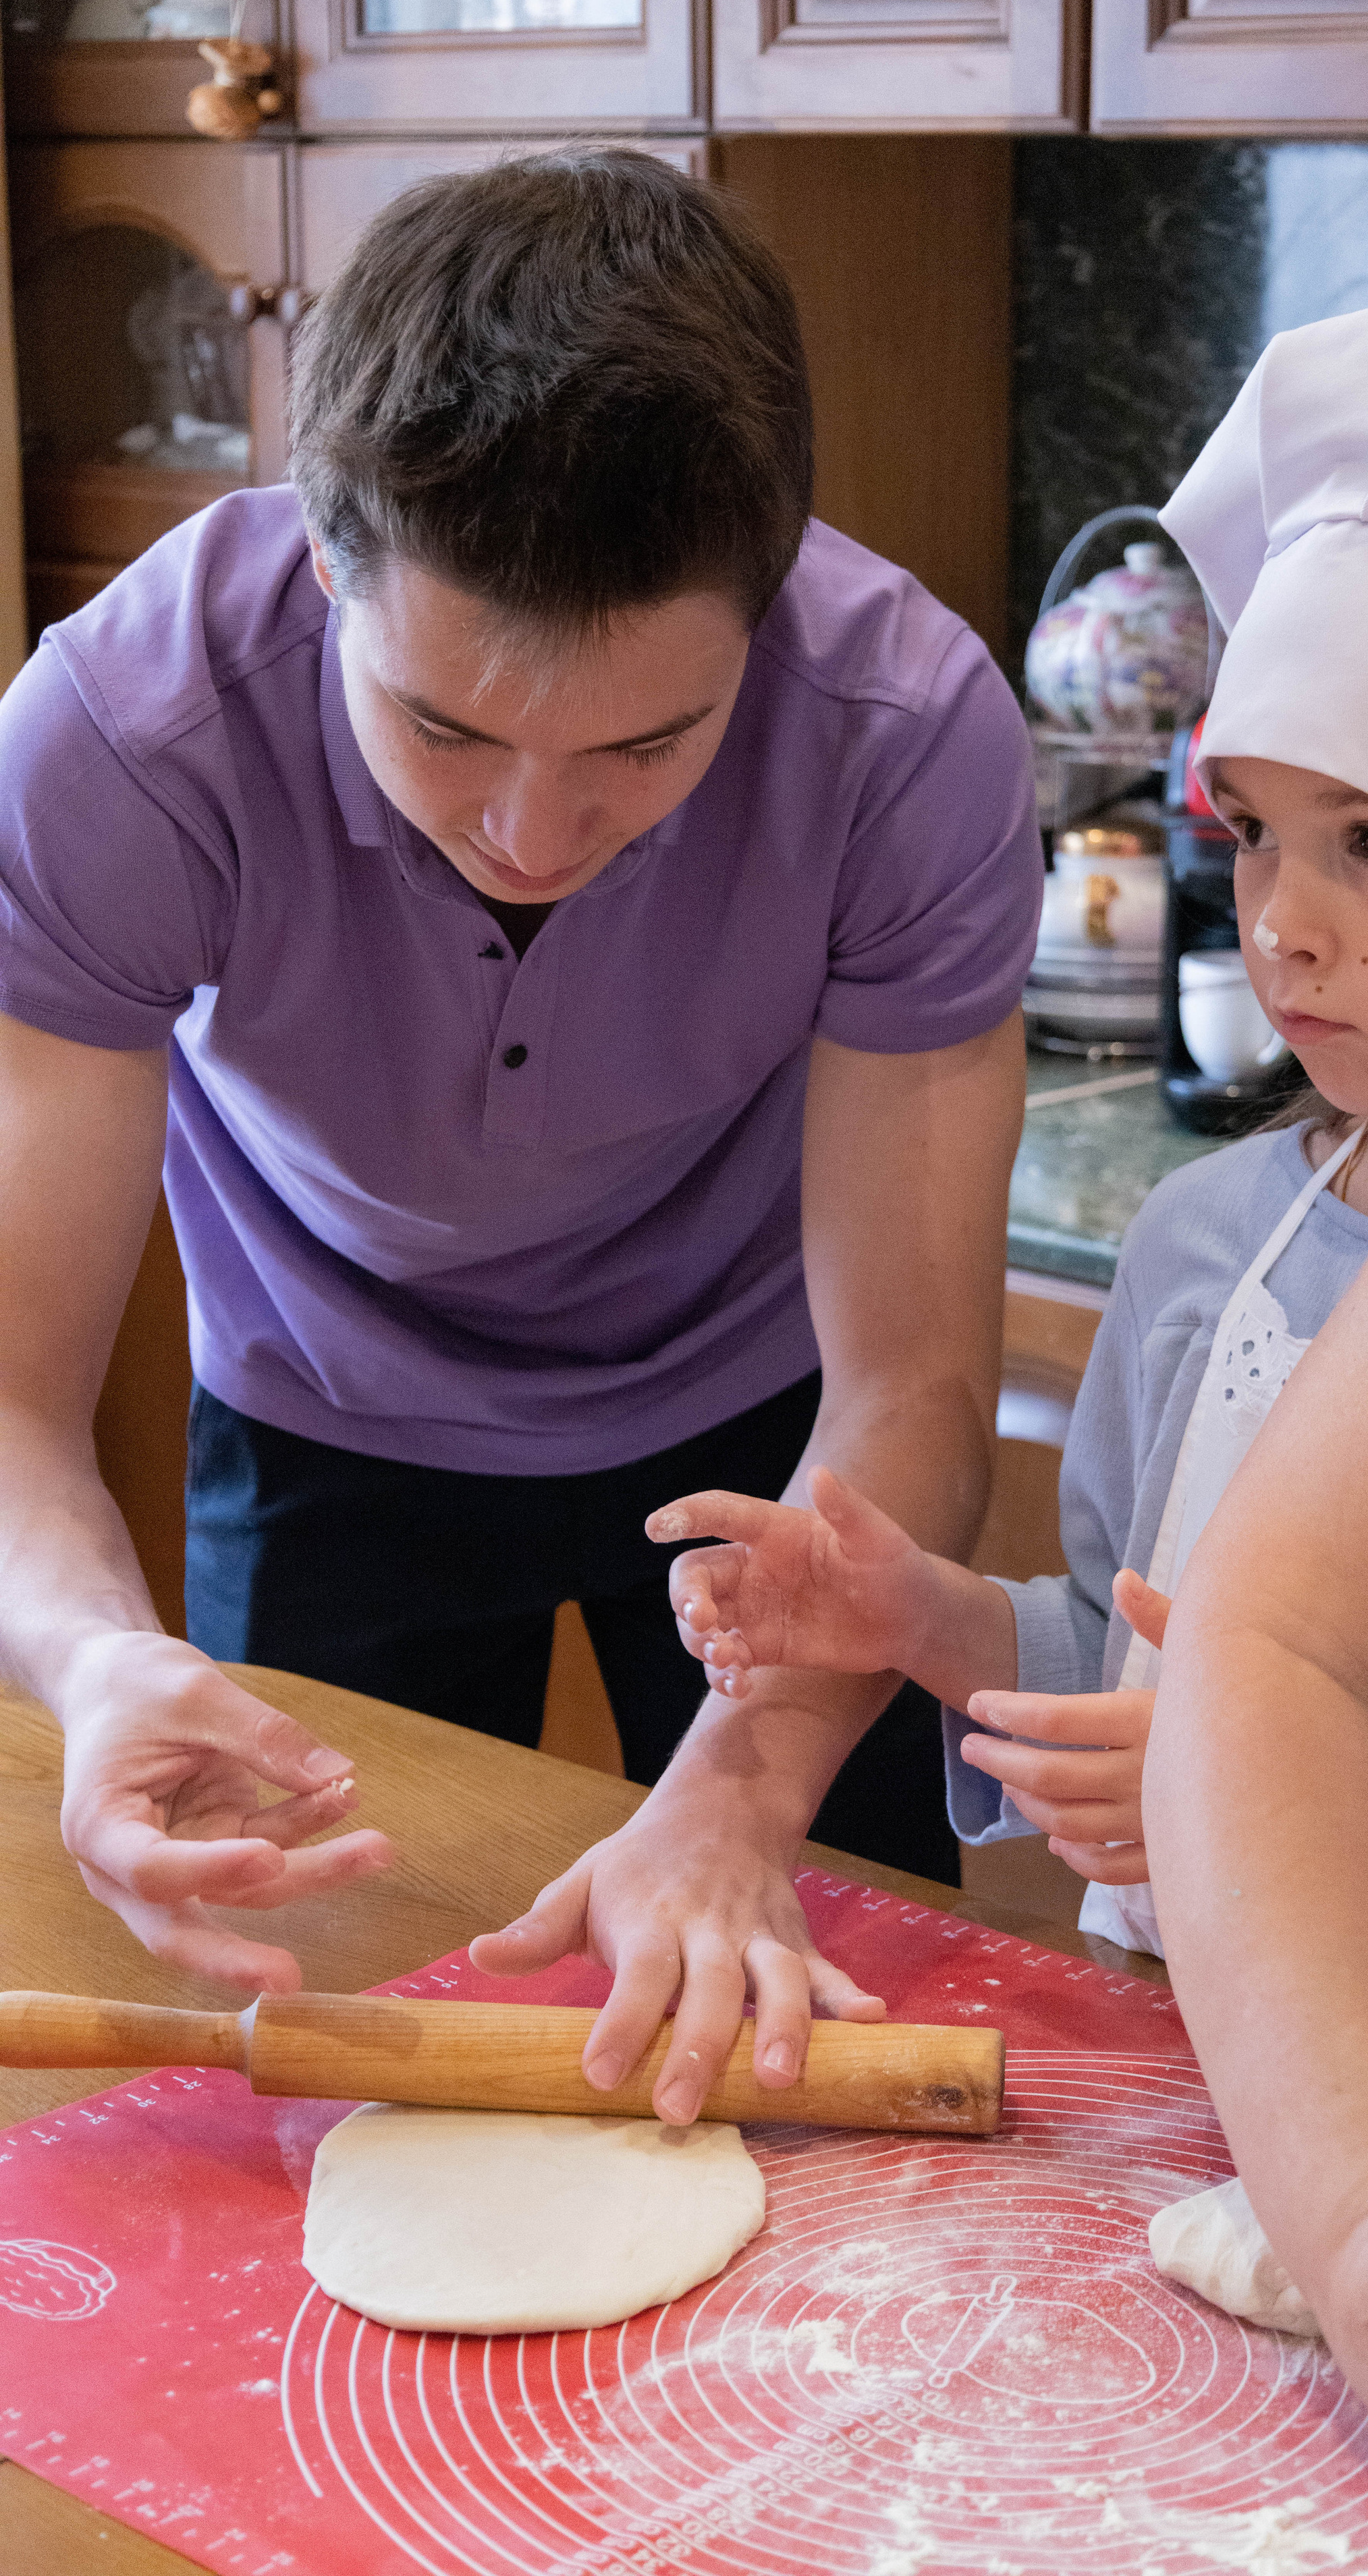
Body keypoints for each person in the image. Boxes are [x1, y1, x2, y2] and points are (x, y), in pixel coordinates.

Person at [591, 279, 1368, 2563]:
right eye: (1253, 837)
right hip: (1240, 2091)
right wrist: (942, 1627)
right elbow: (1238, 1651)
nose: (1282, 924)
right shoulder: (1354, 1201)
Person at [0, 147, 1041, 2043]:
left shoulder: (909, 736)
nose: (532, 830)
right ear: (327, 561)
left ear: (767, 604)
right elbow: (10, 1393)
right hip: (324, 1408)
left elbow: (913, 1383)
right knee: (338, 2027)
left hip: (776, 1427)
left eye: (651, 741)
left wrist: (741, 1794)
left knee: (821, 2019)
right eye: (442, 725)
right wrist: (89, 1660)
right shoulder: (126, 734)